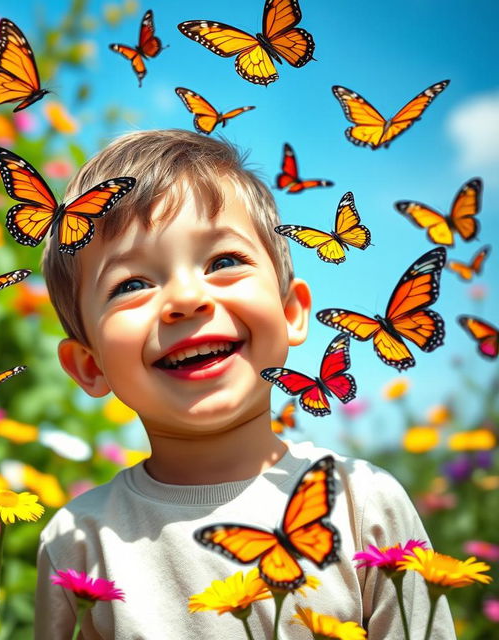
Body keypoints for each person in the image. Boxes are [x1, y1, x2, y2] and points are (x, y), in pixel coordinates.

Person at [35, 129, 455, 639]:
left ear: (291, 311)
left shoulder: (363, 503)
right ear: (89, 366)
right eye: (132, 284)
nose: (186, 298)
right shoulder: (78, 540)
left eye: (224, 262)